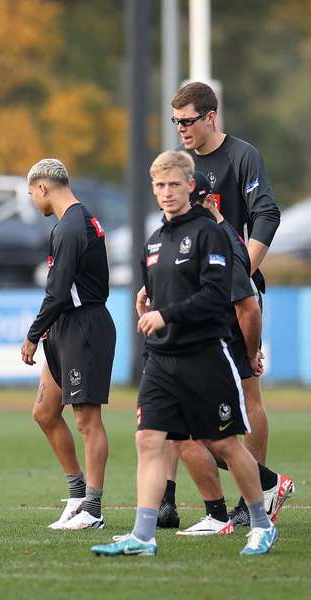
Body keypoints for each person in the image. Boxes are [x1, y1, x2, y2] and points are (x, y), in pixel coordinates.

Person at [92, 150, 278, 557]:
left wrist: (165, 313)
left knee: (225, 443)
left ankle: (261, 524)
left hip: (204, 355)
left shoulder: (210, 234)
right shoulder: (155, 239)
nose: (166, 192)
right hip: (161, 360)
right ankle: (143, 536)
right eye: (159, 185)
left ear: (190, 186)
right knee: (149, 440)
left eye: (174, 184)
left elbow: (215, 298)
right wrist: (149, 305)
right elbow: (158, 293)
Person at [149, 82, 283, 527]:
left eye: (188, 121)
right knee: (169, 393)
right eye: (176, 122)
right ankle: (165, 500)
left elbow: (267, 213)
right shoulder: (181, 166)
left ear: (211, 116)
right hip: (187, 291)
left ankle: (254, 500)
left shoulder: (242, 156)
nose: (181, 129)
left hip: (228, 291)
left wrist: (241, 271)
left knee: (246, 392)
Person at [161, 172, 294, 536]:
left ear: (206, 201)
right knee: (188, 432)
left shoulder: (219, 238)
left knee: (203, 434)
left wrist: (249, 356)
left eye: (185, 196)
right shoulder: (204, 236)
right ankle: (231, 506)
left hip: (222, 346)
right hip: (207, 344)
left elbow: (247, 308)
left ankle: (251, 496)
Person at [21, 159, 116, 530]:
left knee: (87, 420)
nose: (33, 201)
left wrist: (32, 334)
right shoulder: (69, 223)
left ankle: (93, 509)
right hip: (65, 328)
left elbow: (58, 291)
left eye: (32, 194)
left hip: (83, 327)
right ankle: (77, 496)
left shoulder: (73, 226)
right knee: (45, 412)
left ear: (43, 189)